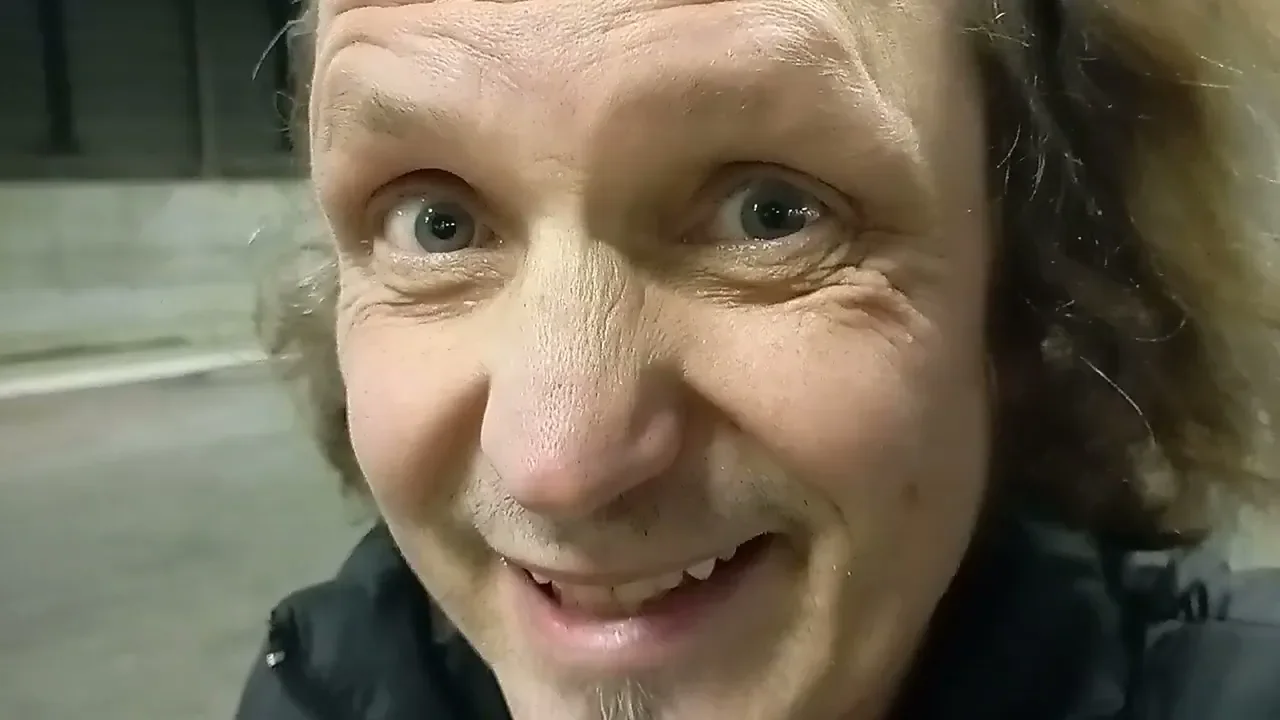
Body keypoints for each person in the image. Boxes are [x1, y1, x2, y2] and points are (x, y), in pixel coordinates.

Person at [235, 0, 1280, 718]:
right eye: (437, 225)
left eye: (770, 214)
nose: (556, 463)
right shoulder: (331, 688)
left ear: (1031, 302)